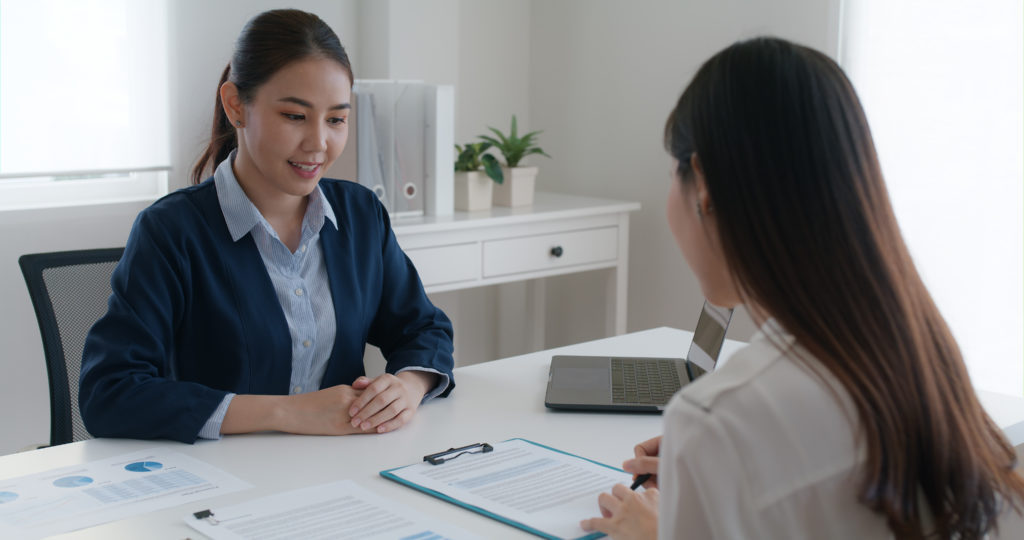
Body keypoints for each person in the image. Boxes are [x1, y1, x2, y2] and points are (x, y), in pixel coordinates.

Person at [581, 37, 1024, 539]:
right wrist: (714, 471)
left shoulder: (716, 419)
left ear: (702, 184)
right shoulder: (920, 355)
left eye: (671, 173)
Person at [79, 9, 455, 444]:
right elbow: (109, 392)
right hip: (220, 487)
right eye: (295, 116)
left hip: (343, 470)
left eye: (336, 119)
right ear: (236, 105)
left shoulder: (361, 215)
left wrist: (407, 386)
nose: (318, 143)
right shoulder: (171, 231)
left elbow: (423, 329)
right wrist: (287, 412)